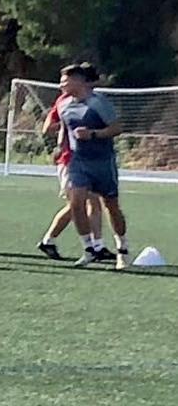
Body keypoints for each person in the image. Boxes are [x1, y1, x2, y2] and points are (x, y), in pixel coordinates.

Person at [57, 63, 129, 269]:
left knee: (111, 205)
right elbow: (64, 128)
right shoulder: (63, 105)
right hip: (78, 161)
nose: (61, 85)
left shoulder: (98, 103)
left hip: (103, 162)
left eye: (65, 81)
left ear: (78, 81)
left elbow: (117, 128)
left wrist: (93, 134)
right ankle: (89, 249)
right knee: (76, 203)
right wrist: (60, 147)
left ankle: (122, 248)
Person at [36, 72, 114, 262]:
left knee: (93, 202)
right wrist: (68, 132)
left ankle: (98, 246)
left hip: (87, 160)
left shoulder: (93, 101)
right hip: (70, 160)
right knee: (76, 205)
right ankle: (49, 240)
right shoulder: (65, 101)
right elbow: (49, 127)